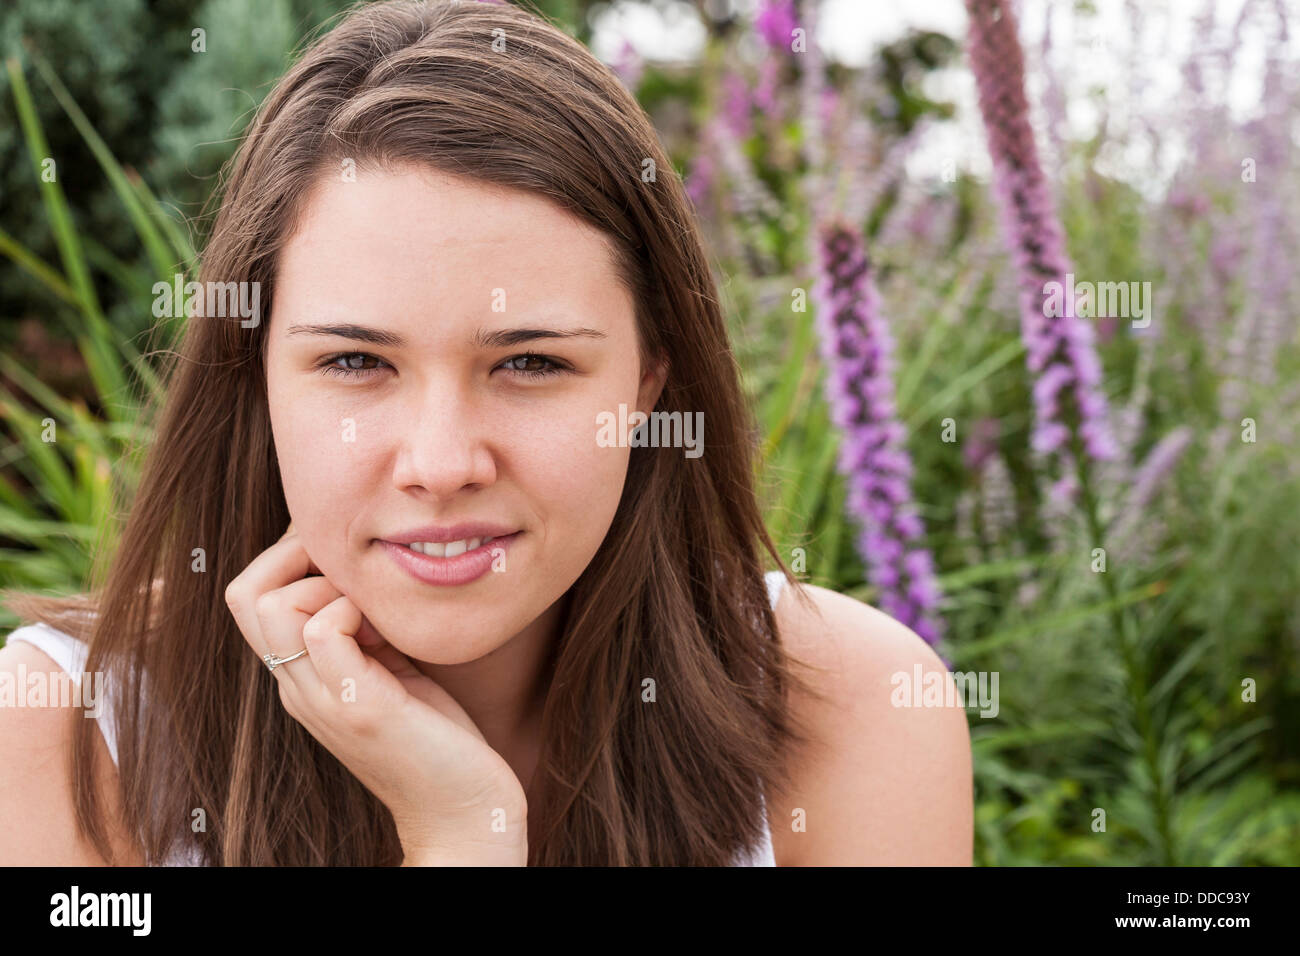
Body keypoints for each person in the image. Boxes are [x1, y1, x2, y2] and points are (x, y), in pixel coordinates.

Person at [0, 0, 971, 866]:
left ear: (648, 382)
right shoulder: (66, 731)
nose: (439, 464)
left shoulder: (850, 705)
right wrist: (465, 834)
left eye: (530, 363)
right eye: (354, 362)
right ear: (254, 374)